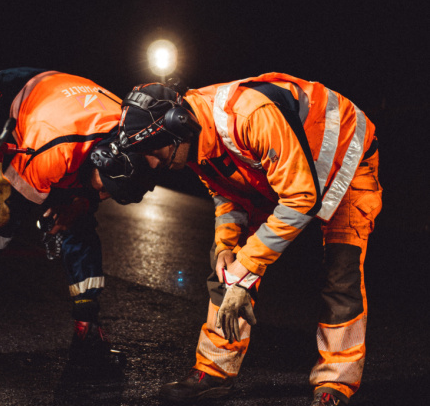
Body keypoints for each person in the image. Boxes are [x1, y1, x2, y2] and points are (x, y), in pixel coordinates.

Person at [111, 73, 382, 405]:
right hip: (287, 173)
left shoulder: (250, 116)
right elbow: (227, 197)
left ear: (177, 125)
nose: (151, 163)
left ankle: (335, 384)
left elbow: (300, 200)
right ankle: (214, 370)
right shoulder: (193, 139)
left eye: (152, 151)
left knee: (341, 274)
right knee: (225, 265)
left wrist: (246, 271)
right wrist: (227, 249)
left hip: (347, 159)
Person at [0, 67, 155, 357]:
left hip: (64, 108)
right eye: (104, 190)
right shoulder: (51, 153)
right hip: (2, 95)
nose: (103, 198)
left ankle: (87, 322)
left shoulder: (129, 138)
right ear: (100, 162)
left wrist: (81, 203)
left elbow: (94, 190)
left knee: (78, 220)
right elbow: (5, 218)